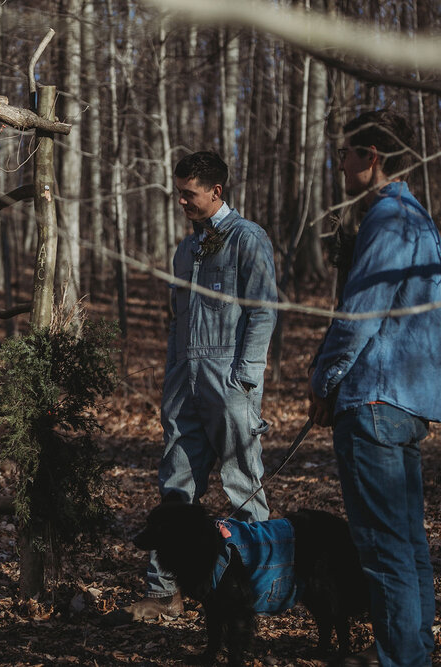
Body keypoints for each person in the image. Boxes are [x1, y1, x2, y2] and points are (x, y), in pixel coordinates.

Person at [308, 109, 441, 666]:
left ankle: (402, 657)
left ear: (371, 159)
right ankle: (410, 650)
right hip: (405, 400)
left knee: (382, 547)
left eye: (347, 154)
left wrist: (324, 381)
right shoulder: (415, 218)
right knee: (406, 542)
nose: (340, 163)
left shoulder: (389, 219)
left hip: (374, 399)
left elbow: (360, 317)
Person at [119, 150, 278, 622]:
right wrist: (172, 375)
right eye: (179, 192)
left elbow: (263, 311)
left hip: (229, 378)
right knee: (176, 484)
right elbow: (177, 320)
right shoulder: (186, 248)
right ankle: (166, 592)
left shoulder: (248, 239)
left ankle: (256, 590)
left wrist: (245, 378)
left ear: (216, 191)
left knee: (242, 484)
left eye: (189, 193)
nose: (182, 201)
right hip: (184, 380)